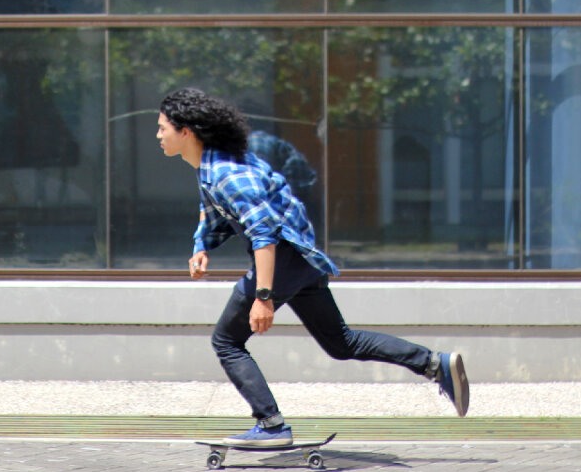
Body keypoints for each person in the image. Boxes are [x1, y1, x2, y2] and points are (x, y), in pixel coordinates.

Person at [157, 88, 469, 447]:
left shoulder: (227, 173)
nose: (158, 135)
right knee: (341, 342)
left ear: (187, 132)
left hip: (283, 259)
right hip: (301, 260)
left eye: (163, 127)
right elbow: (215, 212)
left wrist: (263, 296)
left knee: (227, 341)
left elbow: (264, 234)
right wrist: (201, 247)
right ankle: (434, 364)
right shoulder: (213, 166)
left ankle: (271, 425)